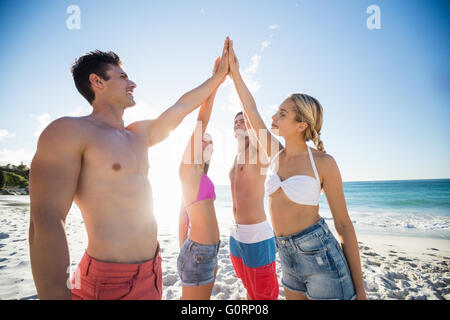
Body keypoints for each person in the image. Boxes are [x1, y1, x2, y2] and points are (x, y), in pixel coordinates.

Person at [29, 39, 230, 300]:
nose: (132, 83)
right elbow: (46, 218)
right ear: (97, 82)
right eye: (123, 77)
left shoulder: (138, 134)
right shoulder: (69, 131)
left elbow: (181, 107)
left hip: (152, 273)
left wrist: (218, 77)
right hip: (107, 281)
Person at [227, 38, 367, 300]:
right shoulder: (275, 154)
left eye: (282, 113)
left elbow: (344, 224)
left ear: (301, 124)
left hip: (322, 259)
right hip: (286, 257)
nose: (274, 117)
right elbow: (251, 110)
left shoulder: (324, 163)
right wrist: (235, 74)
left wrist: (361, 291)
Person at [177, 55, 226, 300]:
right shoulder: (187, 170)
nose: (205, 140)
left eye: (209, 141)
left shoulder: (202, 176)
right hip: (198, 252)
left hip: (209, 250)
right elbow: (201, 120)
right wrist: (216, 81)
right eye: (203, 139)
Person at [228, 111, 278, 300]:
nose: (239, 124)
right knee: (249, 287)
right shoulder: (237, 156)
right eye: (236, 122)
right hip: (236, 234)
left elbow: (255, 119)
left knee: (264, 296)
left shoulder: (259, 151)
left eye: (243, 121)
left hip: (257, 235)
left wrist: (249, 117)